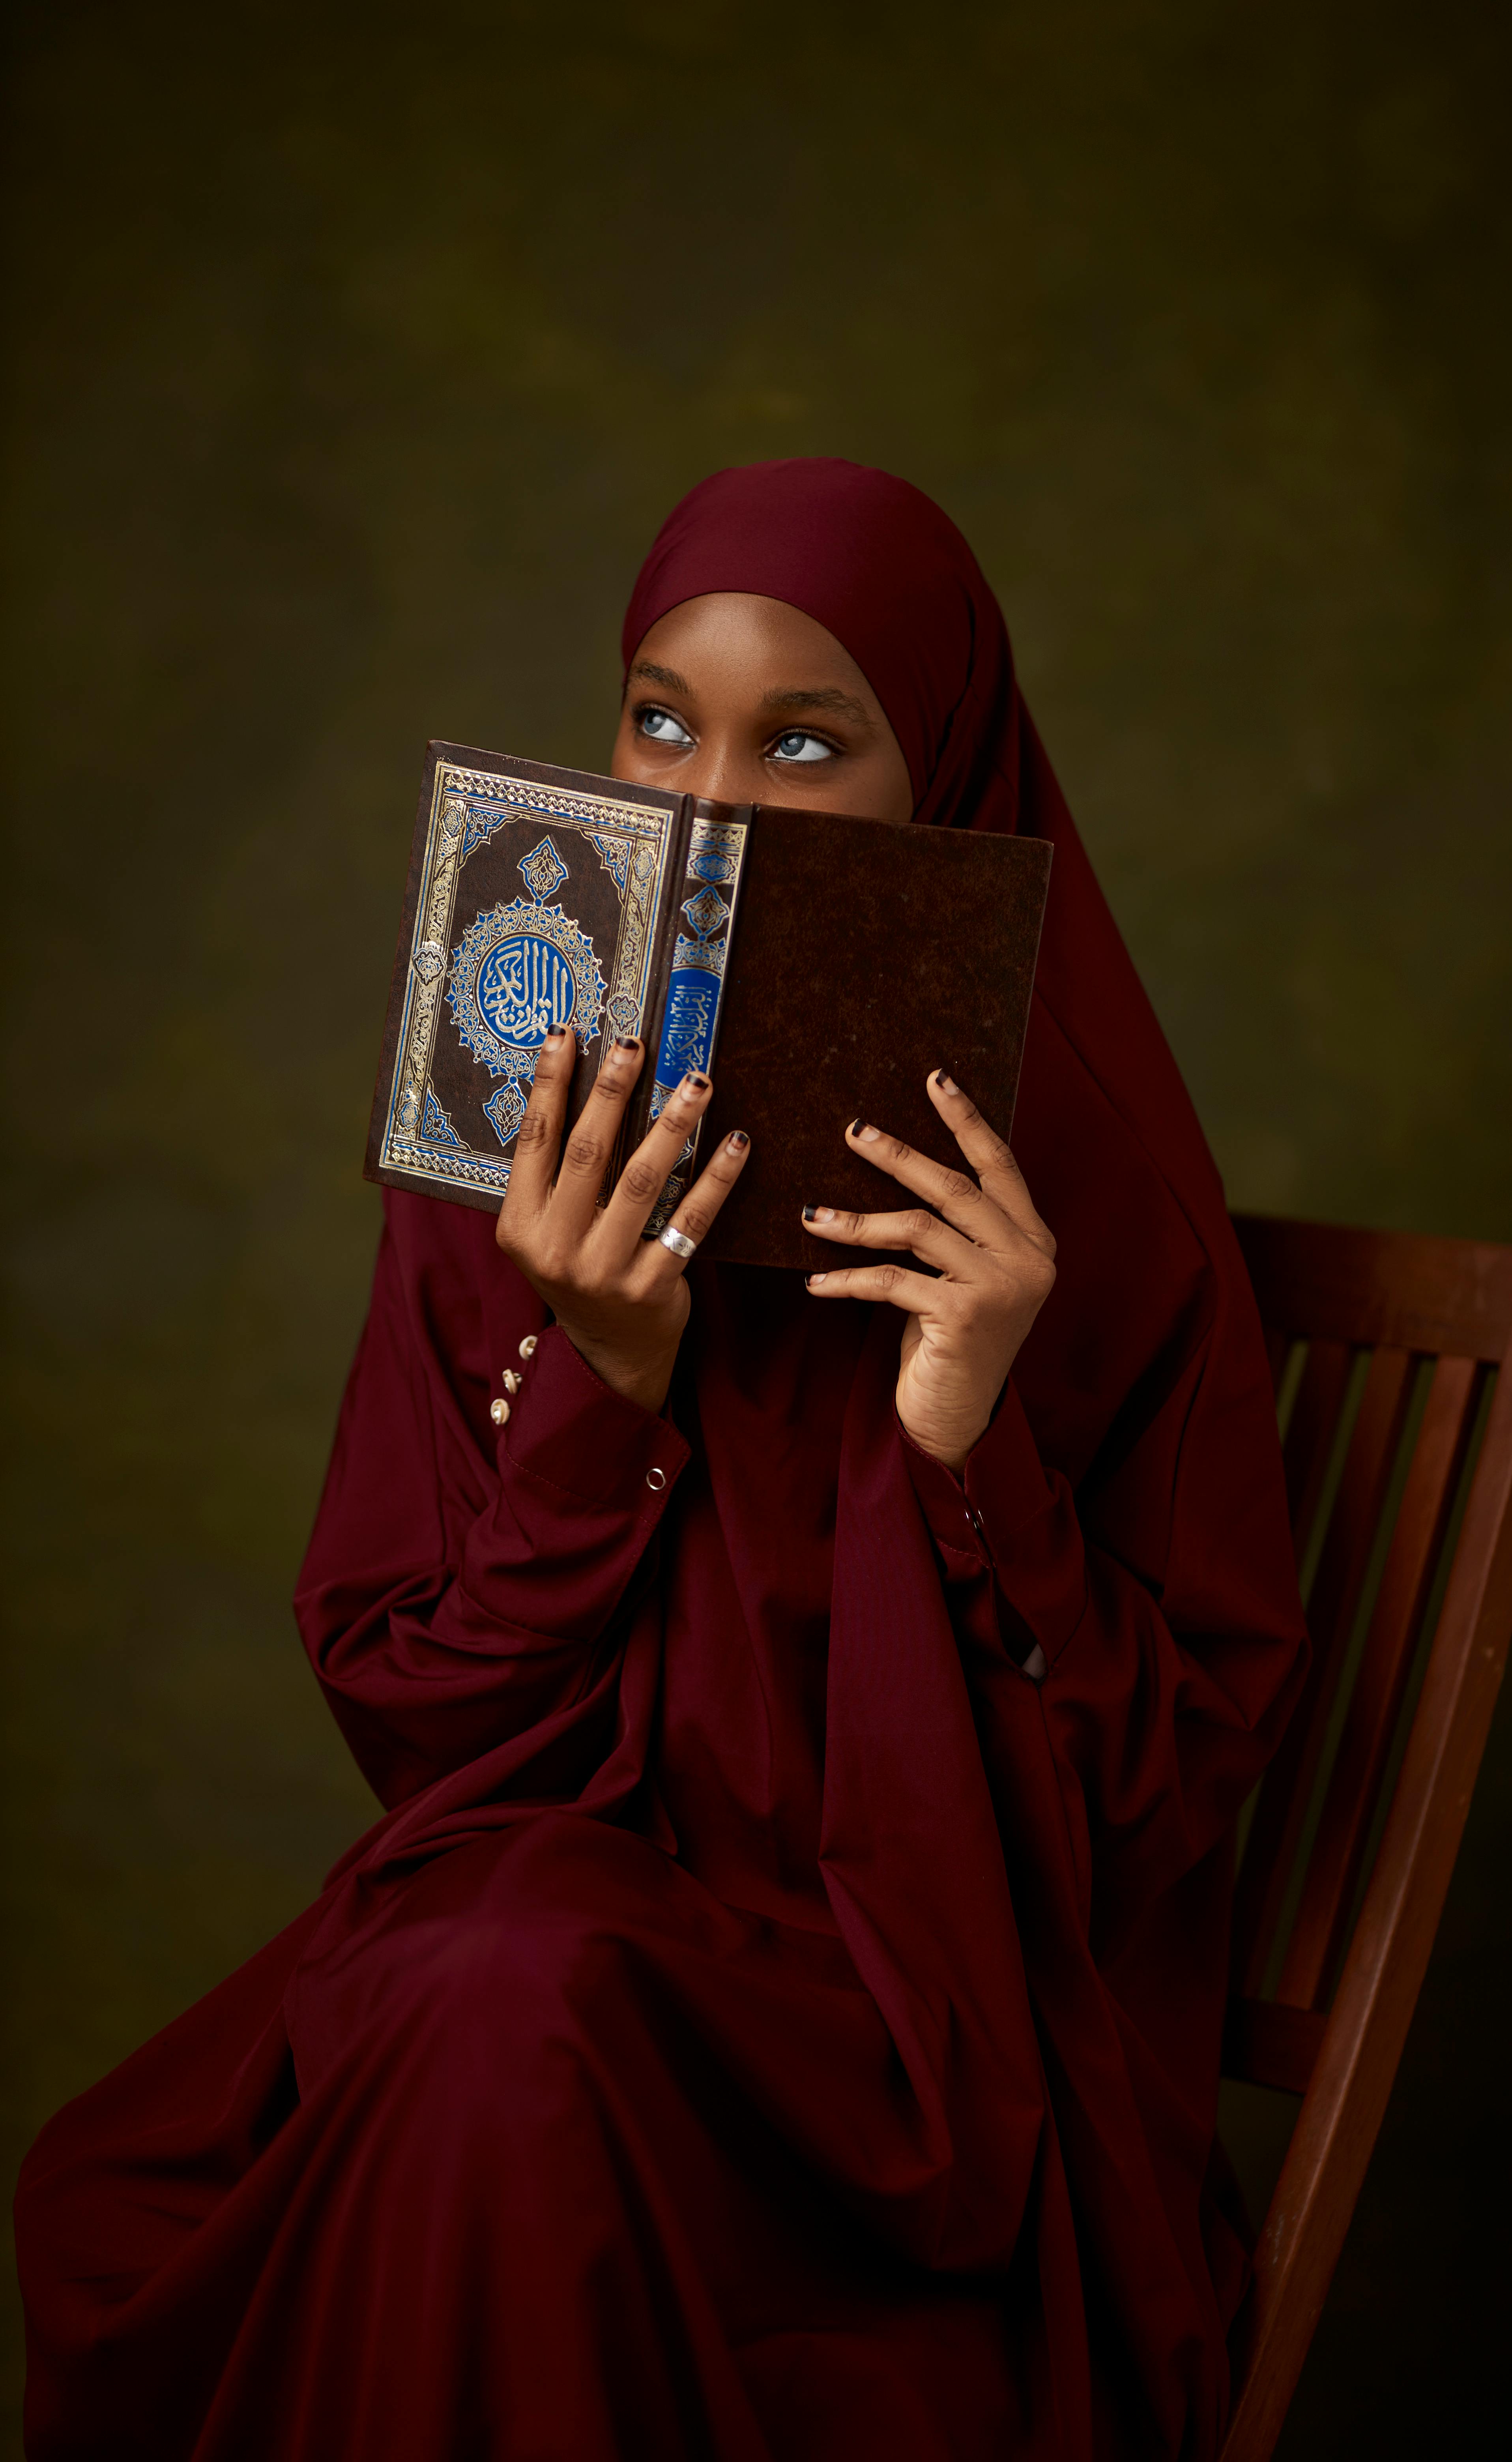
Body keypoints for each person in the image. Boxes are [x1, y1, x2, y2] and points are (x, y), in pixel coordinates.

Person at [15, 459, 1308, 2462]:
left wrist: (968, 1445)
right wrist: (603, 1384)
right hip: (566, 1917)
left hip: (916, 2040)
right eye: (658, 722)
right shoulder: (507, 1137)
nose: (706, 807)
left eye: (804, 743)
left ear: (936, 775)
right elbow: (414, 1705)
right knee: (327, 2084)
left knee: (503, 2014)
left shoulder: (1084, 1197)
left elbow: (1155, 1805)